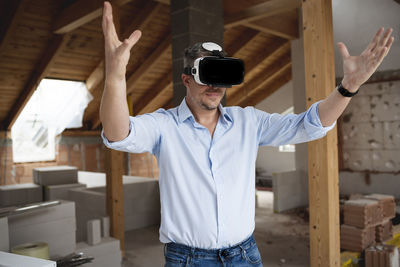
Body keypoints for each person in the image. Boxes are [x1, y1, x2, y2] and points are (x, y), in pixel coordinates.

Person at [100, 2, 394, 266]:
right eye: (207, 74)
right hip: (187, 259)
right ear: (186, 80)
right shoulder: (164, 126)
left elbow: (309, 125)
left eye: (222, 75)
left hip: (244, 255)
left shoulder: (248, 122)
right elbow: (118, 133)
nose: (215, 86)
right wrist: (114, 76)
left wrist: (349, 86)